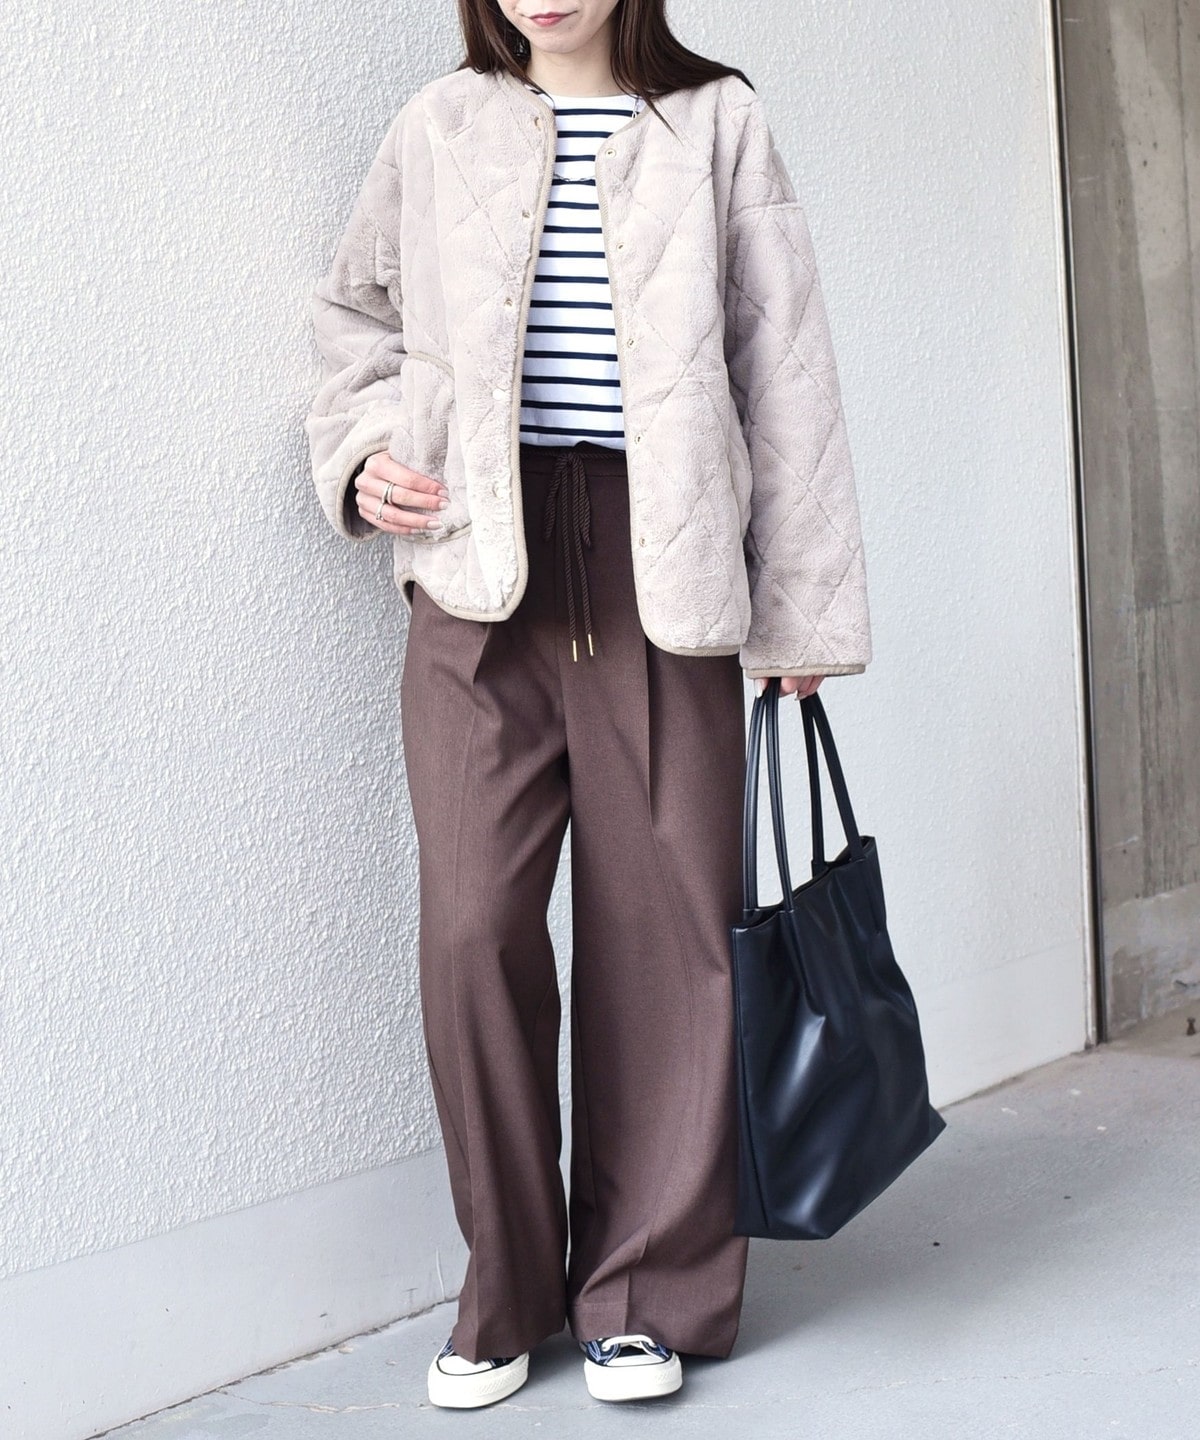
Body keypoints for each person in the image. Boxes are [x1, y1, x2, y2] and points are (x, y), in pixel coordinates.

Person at [304, 0, 871, 1411]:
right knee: (472, 928)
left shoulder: (719, 119)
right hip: (478, 568)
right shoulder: (438, 125)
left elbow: (785, 369)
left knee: (669, 933)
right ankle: (505, 1290)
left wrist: (802, 613)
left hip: (662, 564)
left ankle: (642, 1292)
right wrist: (365, 455)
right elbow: (355, 321)